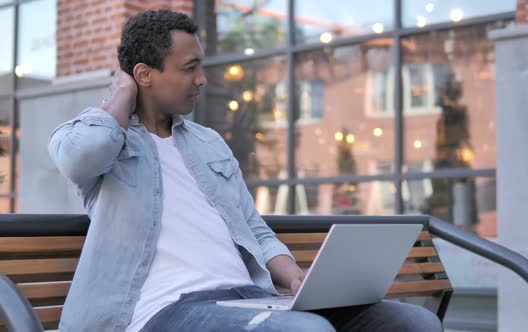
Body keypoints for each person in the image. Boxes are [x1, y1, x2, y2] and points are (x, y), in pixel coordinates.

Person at [48, 9, 442, 332]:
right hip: (163, 311)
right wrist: (120, 92)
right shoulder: (105, 137)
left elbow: (255, 228)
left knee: (413, 322)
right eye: (190, 68)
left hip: (245, 299)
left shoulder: (207, 143)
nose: (202, 79)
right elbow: (81, 156)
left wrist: (294, 277)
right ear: (145, 74)